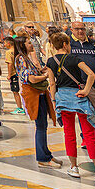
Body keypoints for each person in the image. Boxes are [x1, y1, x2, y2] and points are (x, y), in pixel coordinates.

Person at [46, 31, 95, 182]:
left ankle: (74, 167)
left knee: (69, 134)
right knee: (89, 134)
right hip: (78, 97)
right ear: (65, 44)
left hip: (62, 99)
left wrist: (53, 100)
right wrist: (85, 90)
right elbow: (91, 74)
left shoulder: (51, 61)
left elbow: (52, 83)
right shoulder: (74, 58)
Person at [16, 34, 58, 169]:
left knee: (43, 125)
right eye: (28, 43)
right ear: (22, 45)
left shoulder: (27, 58)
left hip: (40, 94)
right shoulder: (21, 59)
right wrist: (45, 76)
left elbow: (34, 73)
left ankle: (46, 154)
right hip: (33, 95)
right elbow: (32, 79)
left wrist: (42, 70)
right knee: (40, 126)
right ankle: (42, 158)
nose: (31, 44)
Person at [69, 21, 95, 148]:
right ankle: (86, 137)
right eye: (77, 29)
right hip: (80, 82)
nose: (80, 31)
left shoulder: (93, 42)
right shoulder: (70, 44)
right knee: (83, 110)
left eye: (82, 29)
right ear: (72, 30)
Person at [1, 36, 25, 114]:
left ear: (8, 43)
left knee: (15, 91)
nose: (4, 45)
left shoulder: (8, 52)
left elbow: (10, 64)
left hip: (14, 74)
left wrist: (9, 74)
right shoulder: (17, 50)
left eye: (4, 43)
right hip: (20, 73)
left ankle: (19, 108)